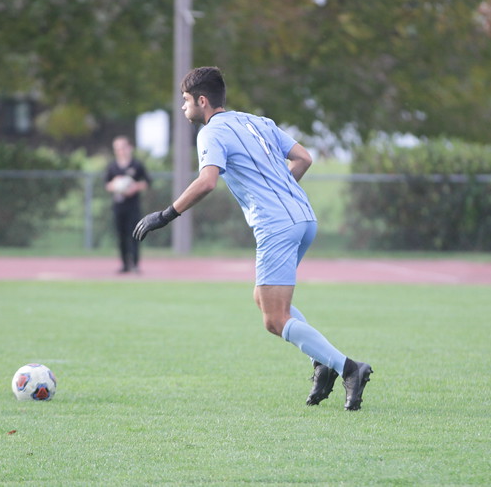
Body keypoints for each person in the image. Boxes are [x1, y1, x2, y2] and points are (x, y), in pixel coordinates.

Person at [134, 67, 373, 410]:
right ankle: (322, 363)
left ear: (202, 101)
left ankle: (349, 368)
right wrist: (280, 192)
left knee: (274, 319)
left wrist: (165, 215)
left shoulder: (211, 133)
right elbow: (304, 158)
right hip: (304, 217)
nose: (183, 107)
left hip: (276, 225)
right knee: (265, 300)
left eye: (185, 100)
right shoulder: (257, 121)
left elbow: (207, 181)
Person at [105, 135, 151, 273]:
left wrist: (134, 186)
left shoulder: (137, 165)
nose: (121, 151)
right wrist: (116, 185)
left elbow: (147, 182)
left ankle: (135, 264)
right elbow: (107, 185)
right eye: (117, 148)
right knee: (121, 236)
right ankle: (125, 265)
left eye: (123, 147)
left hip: (133, 207)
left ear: (129, 148)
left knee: (135, 234)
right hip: (119, 207)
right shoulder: (112, 167)